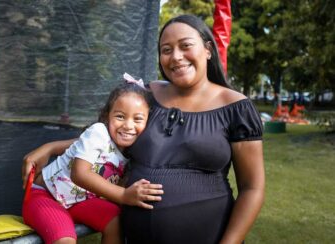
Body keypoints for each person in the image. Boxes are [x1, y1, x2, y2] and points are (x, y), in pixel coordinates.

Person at [23, 14, 265, 244]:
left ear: (208, 49)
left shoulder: (236, 108)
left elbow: (252, 188)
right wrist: (51, 147)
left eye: (185, 46)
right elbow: (108, 138)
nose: (176, 56)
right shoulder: (148, 95)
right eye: (166, 50)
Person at [22, 77, 164, 244]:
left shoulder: (133, 150)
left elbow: (74, 145)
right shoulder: (99, 132)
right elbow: (79, 174)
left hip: (79, 201)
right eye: (120, 116)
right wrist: (124, 195)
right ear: (107, 116)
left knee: (116, 221)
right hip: (45, 196)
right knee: (65, 239)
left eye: (137, 119)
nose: (128, 125)